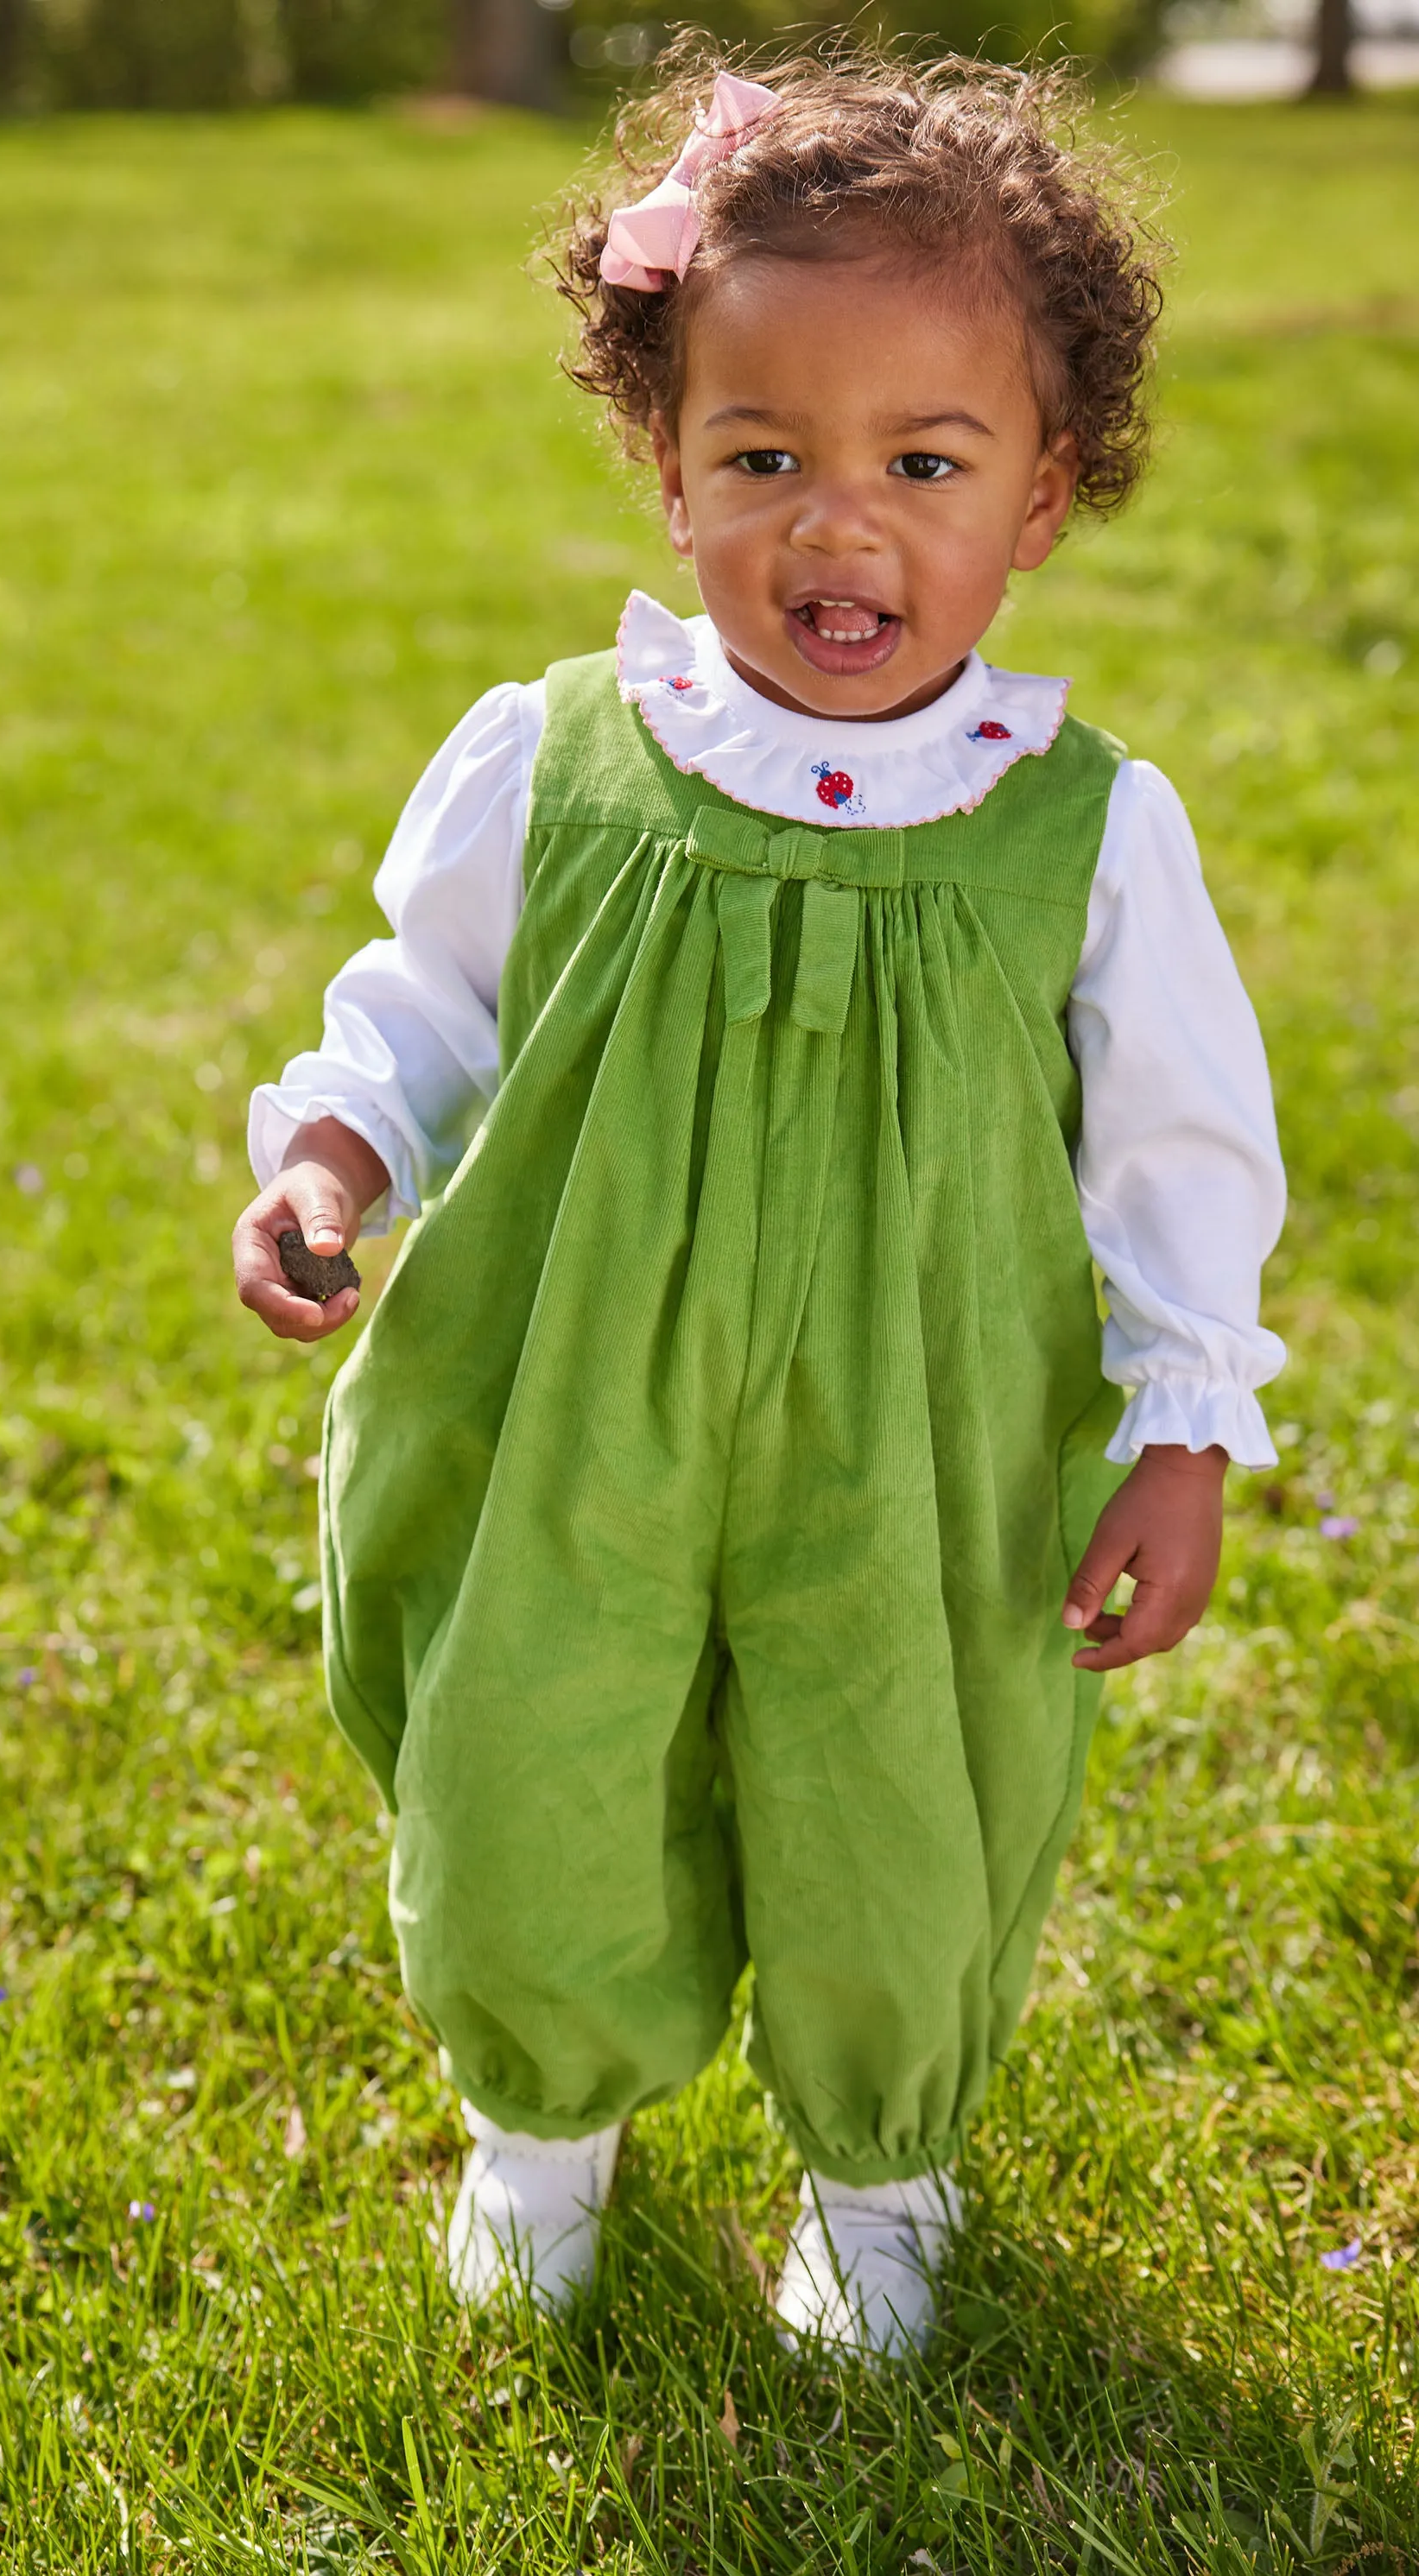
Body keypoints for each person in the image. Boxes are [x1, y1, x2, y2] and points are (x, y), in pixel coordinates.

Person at [232, 46, 1285, 2360]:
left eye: (924, 463)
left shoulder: (1082, 826)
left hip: (919, 1423)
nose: (839, 529)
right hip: (573, 1392)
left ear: (1044, 490)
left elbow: (1174, 1153)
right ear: (662, 459)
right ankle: (542, 2124)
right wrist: (333, 1150)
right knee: (539, 1750)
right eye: (762, 458)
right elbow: (425, 1006)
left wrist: (1184, 1418)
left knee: (895, 1783)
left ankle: (879, 2172)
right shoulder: (563, 753)